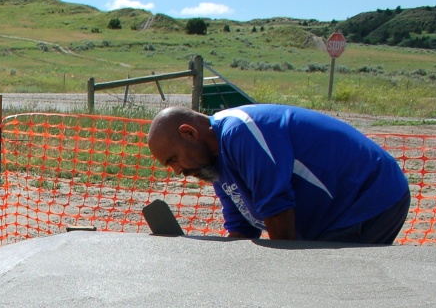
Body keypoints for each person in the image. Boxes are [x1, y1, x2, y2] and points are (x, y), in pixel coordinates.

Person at [147, 104, 411, 243]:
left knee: (330, 288)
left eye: (173, 159)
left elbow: (278, 214)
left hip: (368, 197)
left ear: (189, 133)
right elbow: (242, 229)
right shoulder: (214, 163)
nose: (178, 171)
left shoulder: (241, 133)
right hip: (335, 213)